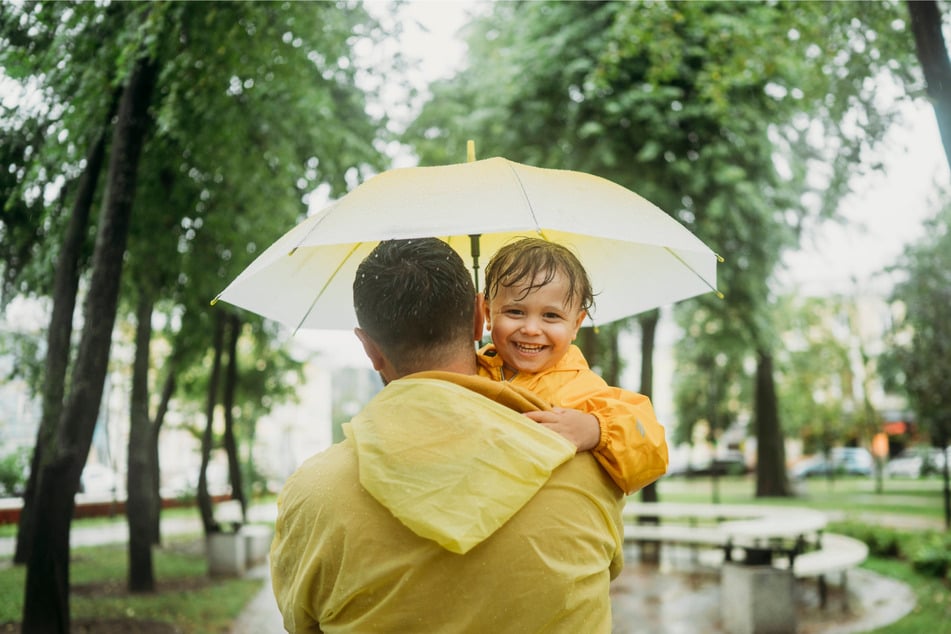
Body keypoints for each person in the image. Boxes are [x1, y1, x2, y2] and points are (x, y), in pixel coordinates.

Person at [270, 238, 624, 633]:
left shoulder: (313, 493)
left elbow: (302, 623)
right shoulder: (584, 461)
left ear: (369, 348)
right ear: (480, 316)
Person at [478, 237, 668, 494]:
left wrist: (596, 430)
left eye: (551, 316)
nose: (531, 329)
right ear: (488, 314)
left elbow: (652, 451)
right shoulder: (470, 372)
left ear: (576, 324)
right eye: (515, 312)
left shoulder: (581, 388)